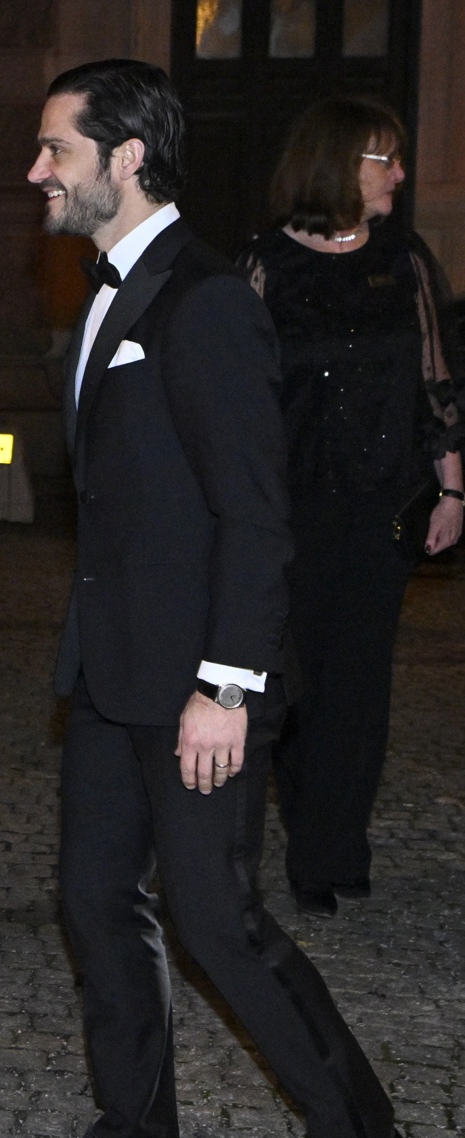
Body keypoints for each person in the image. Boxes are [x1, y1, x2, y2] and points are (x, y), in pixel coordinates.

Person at [0, 60, 410, 1138]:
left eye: (54, 151)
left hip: (195, 689)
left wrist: (225, 685)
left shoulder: (208, 300)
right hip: (113, 675)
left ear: (124, 159)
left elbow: (254, 515)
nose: (36, 172)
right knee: (92, 899)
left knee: (218, 922)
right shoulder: (110, 291)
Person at [236, 98, 463, 918]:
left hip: (380, 505)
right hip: (288, 509)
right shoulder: (265, 264)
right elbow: (235, 393)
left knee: (359, 684)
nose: (398, 174)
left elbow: (439, 379)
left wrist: (453, 484)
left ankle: (331, 853)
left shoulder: (402, 261)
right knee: (291, 678)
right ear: (337, 165)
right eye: (382, 158)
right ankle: (289, 833)